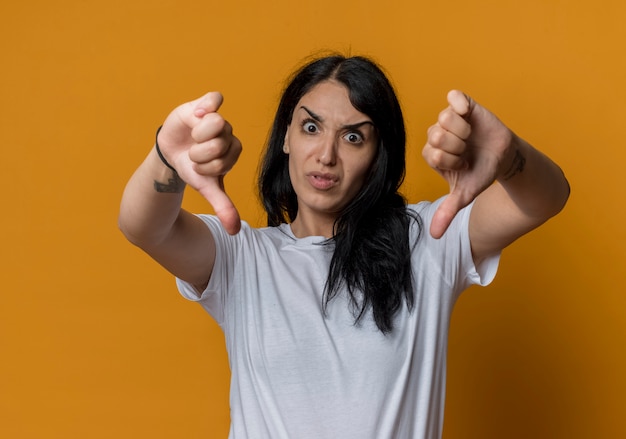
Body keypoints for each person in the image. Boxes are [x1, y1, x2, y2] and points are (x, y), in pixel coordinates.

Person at [118, 55, 569, 438]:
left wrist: (508, 155)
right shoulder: (243, 258)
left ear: (378, 157)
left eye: (354, 136)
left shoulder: (427, 242)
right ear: (287, 139)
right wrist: (165, 158)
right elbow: (144, 228)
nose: (327, 154)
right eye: (311, 127)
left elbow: (544, 198)